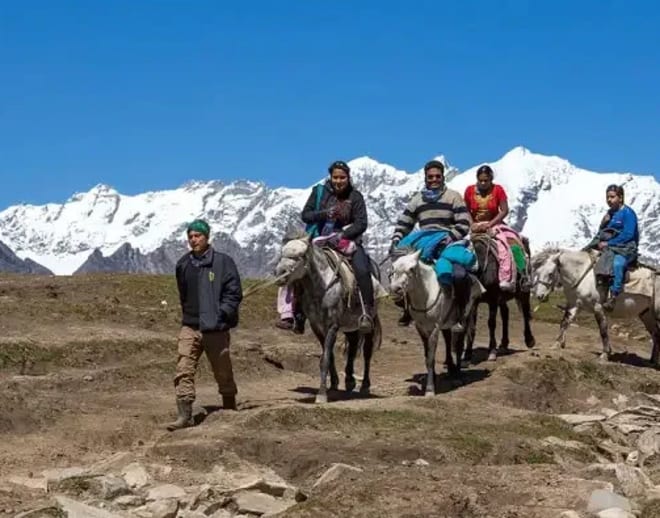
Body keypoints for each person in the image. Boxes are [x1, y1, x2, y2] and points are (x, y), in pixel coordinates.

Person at [167, 219, 243, 431]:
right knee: (183, 368)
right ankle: (184, 415)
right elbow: (183, 293)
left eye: (197, 236)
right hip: (190, 325)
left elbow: (234, 291)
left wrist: (223, 313)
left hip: (215, 327)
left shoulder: (223, 262)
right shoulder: (183, 264)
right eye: (190, 236)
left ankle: (229, 406)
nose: (193, 240)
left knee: (222, 369)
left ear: (207, 237)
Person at [389, 159, 473, 328]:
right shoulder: (417, 200)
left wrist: (449, 237)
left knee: (459, 275)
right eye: (430, 177)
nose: (434, 180)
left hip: (448, 242)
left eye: (437, 176)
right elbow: (405, 222)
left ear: (443, 177)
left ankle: (459, 313)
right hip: (422, 244)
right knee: (401, 273)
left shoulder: (453, 197)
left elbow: (464, 222)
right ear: (425, 178)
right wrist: (397, 239)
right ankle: (407, 309)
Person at [300, 160, 375, 331]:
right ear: (330, 177)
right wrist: (324, 214)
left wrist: (342, 235)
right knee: (298, 268)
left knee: (362, 270)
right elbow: (306, 215)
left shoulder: (355, 196)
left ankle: (367, 312)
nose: (339, 181)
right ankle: (297, 313)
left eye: (342, 177)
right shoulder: (319, 193)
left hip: (348, 242)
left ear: (348, 178)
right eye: (335, 177)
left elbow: (361, 223)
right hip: (318, 241)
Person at [463, 164, 526, 291]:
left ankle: (518, 276)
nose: (483, 183)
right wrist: (472, 224)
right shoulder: (469, 190)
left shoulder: (498, 190)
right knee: (459, 244)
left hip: (495, 224)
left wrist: (490, 224)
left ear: (491, 179)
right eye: (480, 180)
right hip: (474, 225)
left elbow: (504, 210)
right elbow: (465, 210)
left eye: (486, 180)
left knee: (510, 244)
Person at [584, 184, 639, 311]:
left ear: (620, 198)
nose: (609, 200)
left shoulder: (628, 213)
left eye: (612, 197)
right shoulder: (610, 214)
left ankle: (614, 296)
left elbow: (628, 234)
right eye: (607, 197)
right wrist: (603, 224)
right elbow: (603, 232)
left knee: (618, 264)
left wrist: (609, 244)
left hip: (626, 248)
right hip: (609, 248)